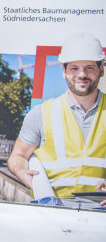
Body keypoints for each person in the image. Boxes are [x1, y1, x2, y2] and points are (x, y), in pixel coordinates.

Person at [8, 33, 106, 208]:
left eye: (90, 67)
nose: (82, 74)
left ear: (101, 70)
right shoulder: (40, 113)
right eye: (74, 68)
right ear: (64, 71)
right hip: (52, 211)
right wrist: (21, 170)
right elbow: (18, 155)